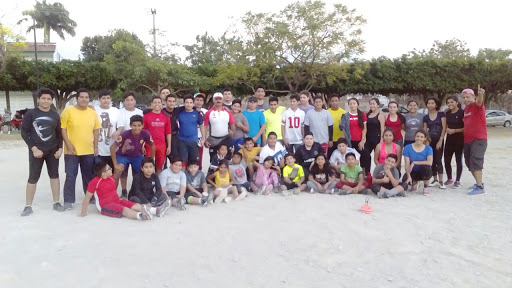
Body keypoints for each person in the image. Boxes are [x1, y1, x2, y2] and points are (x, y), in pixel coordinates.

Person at [20, 88, 65, 216]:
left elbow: (59, 134)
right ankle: (28, 206)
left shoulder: (55, 115)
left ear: (52, 101)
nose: (46, 101)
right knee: (33, 177)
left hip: (52, 151)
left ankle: (56, 202)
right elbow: (24, 132)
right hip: (36, 151)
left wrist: (60, 149)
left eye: (49, 99)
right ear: (38, 99)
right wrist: (33, 148)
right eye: (43, 98)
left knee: (54, 176)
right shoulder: (31, 114)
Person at [79, 161, 162, 220]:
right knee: (124, 209)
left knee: (133, 204)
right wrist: (83, 212)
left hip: (117, 200)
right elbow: (87, 197)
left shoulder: (111, 178)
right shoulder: (94, 182)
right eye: (109, 168)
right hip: (105, 205)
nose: (111, 169)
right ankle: (141, 216)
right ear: (103, 174)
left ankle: (155, 210)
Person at [61, 88, 101, 210]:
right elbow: (63, 129)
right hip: (71, 151)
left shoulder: (92, 113)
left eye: (86, 97)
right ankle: (68, 200)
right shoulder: (68, 110)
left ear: (89, 99)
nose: (84, 99)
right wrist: (68, 144)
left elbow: (96, 130)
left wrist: (95, 146)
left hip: (88, 150)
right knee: (70, 176)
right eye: (81, 97)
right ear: (76, 98)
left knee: (88, 175)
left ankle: (90, 197)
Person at [111, 115, 155, 191]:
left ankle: (140, 191)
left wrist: (151, 160)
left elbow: (153, 146)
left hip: (137, 156)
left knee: (145, 170)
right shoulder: (125, 134)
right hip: (123, 156)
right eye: (134, 125)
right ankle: (116, 193)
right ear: (130, 125)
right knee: (118, 170)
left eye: (139, 125)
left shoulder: (145, 133)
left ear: (142, 125)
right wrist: (115, 164)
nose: (136, 128)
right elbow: (112, 148)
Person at [116, 91, 143, 196]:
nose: (129, 102)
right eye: (127, 100)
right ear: (124, 102)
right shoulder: (120, 112)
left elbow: (142, 128)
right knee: (124, 172)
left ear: (135, 101)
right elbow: (120, 127)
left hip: (137, 145)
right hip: (124, 145)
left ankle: (135, 190)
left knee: (137, 171)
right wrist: (117, 134)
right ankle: (123, 190)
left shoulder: (140, 112)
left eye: (131, 100)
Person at [461, 86, 487, 195]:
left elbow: (480, 102)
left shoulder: (477, 106)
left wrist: (480, 95)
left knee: (476, 161)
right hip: (467, 140)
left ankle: (480, 188)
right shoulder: (466, 109)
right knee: (469, 162)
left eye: (468, 97)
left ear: (473, 97)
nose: (466, 99)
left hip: (479, 139)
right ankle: (478, 183)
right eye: (464, 97)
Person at [339, 98, 370, 173]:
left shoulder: (362, 115)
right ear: (348, 105)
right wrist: (344, 142)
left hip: (359, 141)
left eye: (354, 103)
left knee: (366, 155)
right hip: (349, 141)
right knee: (350, 158)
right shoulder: (346, 116)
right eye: (351, 104)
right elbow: (343, 129)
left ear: (357, 104)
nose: (352, 105)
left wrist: (362, 141)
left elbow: (364, 129)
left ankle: (365, 173)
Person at [143, 96, 171, 175]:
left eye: (159, 102)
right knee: (148, 165)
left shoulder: (166, 117)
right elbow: (142, 132)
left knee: (159, 166)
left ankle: (157, 182)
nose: (157, 104)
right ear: (151, 104)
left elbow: (168, 133)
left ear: (162, 104)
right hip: (149, 145)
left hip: (161, 145)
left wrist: (169, 146)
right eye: (155, 102)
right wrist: (142, 144)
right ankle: (148, 183)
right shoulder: (146, 116)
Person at [423, 97, 447, 189]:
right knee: (431, 161)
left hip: (439, 140)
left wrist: (441, 140)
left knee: (438, 160)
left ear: (436, 104)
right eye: (428, 103)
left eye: (432, 103)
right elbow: (425, 130)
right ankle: (435, 179)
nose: (430, 105)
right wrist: (426, 142)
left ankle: (441, 181)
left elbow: (444, 128)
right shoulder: (425, 117)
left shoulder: (441, 114)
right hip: (429, 141)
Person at [204, 92, 235, 160]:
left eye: (220, 99)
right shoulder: (209, 113)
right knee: (213, 160)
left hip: (225, 139)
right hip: (213, 140)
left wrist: (232, 132)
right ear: (213, 100)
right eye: (216, 99)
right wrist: (205, 140)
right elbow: (205, 127)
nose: (218, 100)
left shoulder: (227, 112)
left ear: (222, 100)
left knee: (227, 160)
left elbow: (232, 124)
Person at [177, 95, 205, 168]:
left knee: (193, 163)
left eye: (190, 102)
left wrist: (203, 138)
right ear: (184, 103)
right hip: (182, 141)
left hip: (193, 141)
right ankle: (183, 178)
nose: (188, 104)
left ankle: (192, 178)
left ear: (193, 104)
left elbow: (202, 125)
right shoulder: (180, 113)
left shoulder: (197, 114)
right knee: (183, 162)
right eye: (187, 102)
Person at [403, 129, 433, 195]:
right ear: (415, 137)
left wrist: (414, 162)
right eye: (417, 136)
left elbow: (429, 162)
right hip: (413, 171)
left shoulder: (428, 148)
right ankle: (414, 182)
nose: (419, 138)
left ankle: (426, 187)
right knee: (404, 181)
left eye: (421, 137)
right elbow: (407, 164)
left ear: (425, 138)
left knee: (426, 168)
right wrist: (408, 176)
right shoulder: (407, 147)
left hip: (423, 170)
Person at [94, 89, 119, 168]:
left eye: (108, 98)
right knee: (99, 173)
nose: (106, 100)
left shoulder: (116, 111)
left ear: (111, 99)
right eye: (103, 98)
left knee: (112, 174)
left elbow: (120, 126)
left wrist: (118, 131)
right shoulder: (94, 110)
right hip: (98, 149)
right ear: (99, 99)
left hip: (113, 149)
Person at [444, 96, 464, 188]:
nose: (450, 104)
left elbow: (466, 128)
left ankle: (457, 180)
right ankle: (449, 178)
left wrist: (455, 130)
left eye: (452, 102)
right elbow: (445, 125)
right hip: (449, 139)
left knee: (458, 160)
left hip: (459, 140)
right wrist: (446, 129)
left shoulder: (462, 113)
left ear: (456, 102)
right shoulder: (447, 113)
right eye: (448, 102)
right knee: (447, 159)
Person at [365, 98, 385, 171]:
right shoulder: (367, 115)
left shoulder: (380, 115)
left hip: (377, 139)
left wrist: (381, 141)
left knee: (378, 158)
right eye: (371, 104)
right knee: (365, 156)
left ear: (378, 105)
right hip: (368, 139)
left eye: (374, 104)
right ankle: (367, 173)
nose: (372, 105)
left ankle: (380, 172)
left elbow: (382, 129)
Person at [161, 92, 180, 159]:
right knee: (162, 161)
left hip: (174, 138)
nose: (171, 103)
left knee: (174, 159)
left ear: (175, 102)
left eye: (173, 101)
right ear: (165, 102)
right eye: (169, 101)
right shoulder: (161, 112)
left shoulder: (178, 110)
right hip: (163, 138)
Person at [193, 93, 208, 170]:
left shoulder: (205, 112)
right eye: (197, 100)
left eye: (201, 100)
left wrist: (205, 138)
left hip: (200, 138)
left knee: (199, 158)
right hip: (190, 137)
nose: (199, 102)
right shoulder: (189, 110)